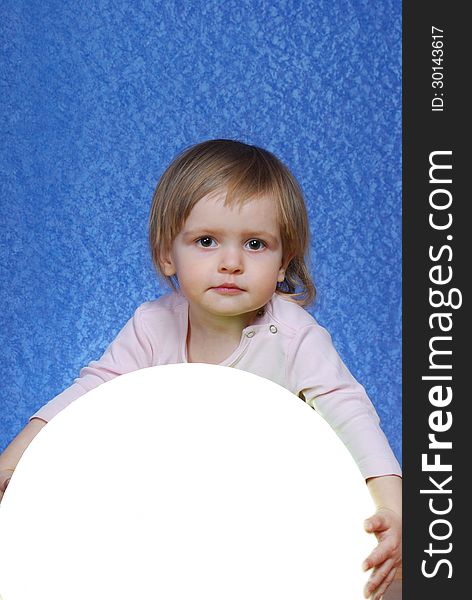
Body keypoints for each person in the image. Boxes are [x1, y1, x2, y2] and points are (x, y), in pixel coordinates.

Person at [0, 139, 401, 599]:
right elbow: (88, 395)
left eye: (255, 244)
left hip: (269, 522)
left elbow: (351, 416)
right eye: (206, 241)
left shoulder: (293, 338)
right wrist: (11, 463)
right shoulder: (153, 328)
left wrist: (392, 508)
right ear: (167, 254)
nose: (231, 262)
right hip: (175, 519)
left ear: (282, 262)